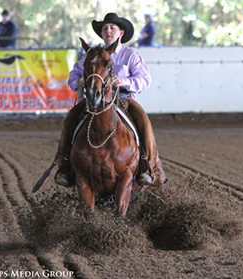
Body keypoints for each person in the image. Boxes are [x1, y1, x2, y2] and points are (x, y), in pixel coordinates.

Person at [54, 12, 166, 188]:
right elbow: (73, 76)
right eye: (105, 28)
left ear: (120, 33)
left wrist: (125, 81)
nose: (108, 30)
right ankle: (65, 164)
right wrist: (79, 81)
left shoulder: (130, 55)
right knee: (71, 118)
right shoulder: (91, 54)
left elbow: (145, 79)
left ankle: (148, 164)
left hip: (123, 98)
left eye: (112, 27)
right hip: (94, 100)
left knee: (142, 119)